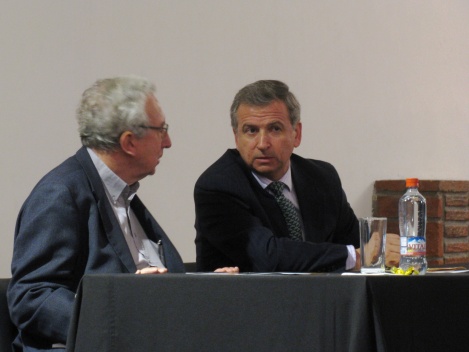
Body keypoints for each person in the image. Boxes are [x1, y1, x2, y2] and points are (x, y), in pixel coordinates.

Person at [7, 76, 237, 352]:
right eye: (161, 130)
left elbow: (148, 287)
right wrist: (117, 318)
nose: (168, 142)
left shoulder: (122, 194)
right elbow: (31, 297)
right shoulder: (61, 193)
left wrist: (208, 286)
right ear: (129, 143)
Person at [194, 79, 400, 272]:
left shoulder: (322, 178)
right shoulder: (217, 186)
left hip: (322, 303)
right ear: (236, 137)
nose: (263, 143)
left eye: (275, 129)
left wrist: (386, 251)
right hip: (245, 306)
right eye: (251, 131)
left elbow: (359, 244)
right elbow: (269, 256)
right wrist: (356, 257)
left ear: (296, 134)